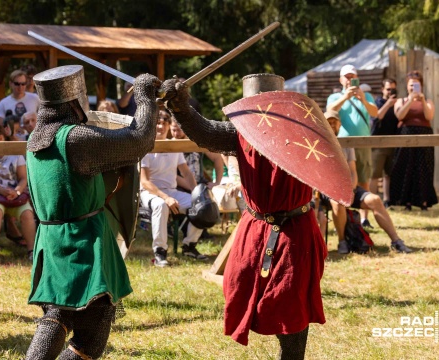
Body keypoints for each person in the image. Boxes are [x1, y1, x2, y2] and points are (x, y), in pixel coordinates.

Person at [160, 74, 339, 359]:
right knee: (241, 286)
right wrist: (180, 107)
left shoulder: (302, 129)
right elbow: (205, 132)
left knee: (292, 301)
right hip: (256, 227)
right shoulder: (239, 133)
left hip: (296, 230)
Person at [25, 65, 160, 360]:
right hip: (83, 244)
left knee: (58, 315)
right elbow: (140, 141)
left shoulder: (36, 140)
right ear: (74, 101)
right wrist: (145, 96)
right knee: (88, 337)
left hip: (52, 241)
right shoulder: (75, 139)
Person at [322, 110, 412, 253]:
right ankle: (342, 242)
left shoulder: (347, 143)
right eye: (329, 122)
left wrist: (351, 189)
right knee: (337, 203)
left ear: (339, 124)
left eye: (334, 122)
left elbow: (353, 170)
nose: (332, 125)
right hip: (328, 190)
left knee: (375, 199)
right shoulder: (318, 143)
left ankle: (396, 241)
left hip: (348, 188)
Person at [140, 109, 206, 266]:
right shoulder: (146, 147)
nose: (160, 127)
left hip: (171, 191)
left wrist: (199, 195)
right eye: (157, 123)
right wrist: (166, 197)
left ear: (169, 126)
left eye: (164, 123)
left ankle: (189, 246)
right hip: (150, 192)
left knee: (202, 207)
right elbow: (145, 181)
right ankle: (160, 253)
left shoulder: (174, 147)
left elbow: (186, 173)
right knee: (161, 205)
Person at [327, 64, 378, 227]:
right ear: (341, 80)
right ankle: (346, 212)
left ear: (357, 79)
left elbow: (375, 113)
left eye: (352, 77)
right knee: (345, 179)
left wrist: (362, 98)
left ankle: (364, 218)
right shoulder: (334, 97)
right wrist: (346, 98)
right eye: (347, 77)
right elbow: (330, 110)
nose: (349, 80)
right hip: (344, 145)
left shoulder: (366, 95)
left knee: (364, 179)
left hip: (364, 143)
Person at [0, 124, 36, 261]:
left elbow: (23, 178)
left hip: (15, 195)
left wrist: (17, 192)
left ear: (0, 137)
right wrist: (1, 191)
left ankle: (32, 251)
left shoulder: (15, 154)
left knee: (27, 214)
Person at [390, 70, 438, 210]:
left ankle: (423, 202)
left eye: (416, 85)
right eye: (411, 85)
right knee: (406, 168)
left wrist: (422, 100)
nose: (413, 88)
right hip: (406, 136)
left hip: (424, 136)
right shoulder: (401, 100)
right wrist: (410, 100)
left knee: (424, 168)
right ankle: (406, 202)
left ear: (421, 86)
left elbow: (429, 116)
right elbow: (399, 115)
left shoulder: (428, 101)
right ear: (407, 86)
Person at [170, 117, 223, 191]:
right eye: (173, 130)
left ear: (185, 128)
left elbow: (217, 158)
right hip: (180, 187)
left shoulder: (196, 142)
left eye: (179, 130)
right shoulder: (169, 146)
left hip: (200, 183)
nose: (176, 134)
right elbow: (171, 174)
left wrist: (217, 182)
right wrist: (194, 188)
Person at [369, 78, 399, 208]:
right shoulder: (377, 102)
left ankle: (387, 200)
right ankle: (370, 200)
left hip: (393, 141)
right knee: (375, 174)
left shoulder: (397, 103)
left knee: (389, 174)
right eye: (388, 89)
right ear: (382, 90)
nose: (390, 91)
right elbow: (377, 115)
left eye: (393, 89)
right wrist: (388, 104)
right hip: (378, 142)